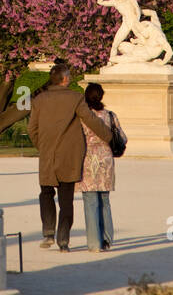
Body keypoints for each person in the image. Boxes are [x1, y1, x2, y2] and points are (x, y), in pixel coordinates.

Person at [28, 61, 112, 252]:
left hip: (47, 155)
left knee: (46, 193)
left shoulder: (39, 99)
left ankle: (48, 231)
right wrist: (108, 136)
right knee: (66, 200)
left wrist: (41, 146)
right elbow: (90, 120)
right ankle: (63, 240)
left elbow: (32, 128)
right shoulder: (75, 98)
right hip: (70, 156)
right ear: (65, 79)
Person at [76, 83, 119, 252]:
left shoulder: (82, 117)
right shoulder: (110, 115)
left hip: (87, 158)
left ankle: (94, 243)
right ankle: (107, 239)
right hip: (106, 158)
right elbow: (121, 136)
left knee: (90, 201)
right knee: (105, 201)